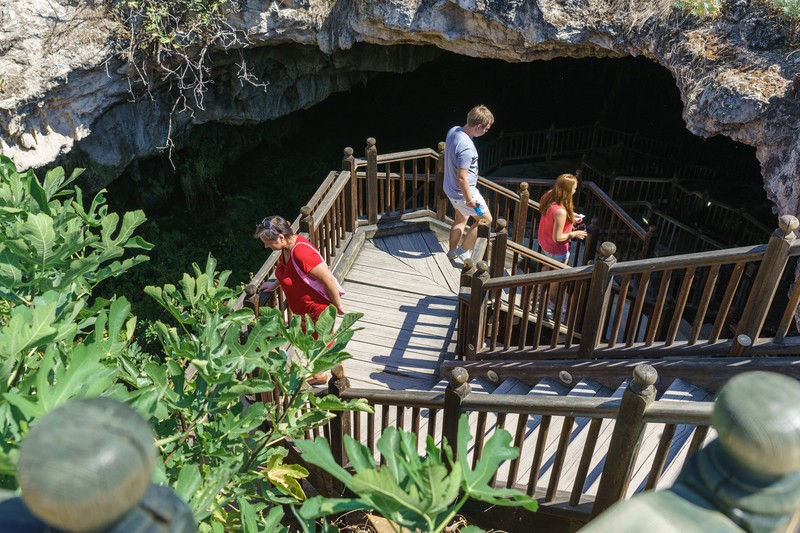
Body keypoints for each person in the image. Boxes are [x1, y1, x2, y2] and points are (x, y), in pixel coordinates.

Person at [254, 215, 345, 384]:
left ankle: (339, 380)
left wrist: (337, 305)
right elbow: (288, 272)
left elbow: (328, 279)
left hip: (317, 308)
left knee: (325, 344)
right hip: (303, 310)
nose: (266, 246)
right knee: (312, 342)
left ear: (281, 237)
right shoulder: (286, 248)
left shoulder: (302, 252)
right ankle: (319, 375)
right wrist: (274, 285)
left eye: (268, 242)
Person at [443, 105, 495, 262]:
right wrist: (470, 200)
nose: (486, 132)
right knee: (486, 220)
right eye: (486, 129)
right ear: (478, 127)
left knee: (461, 219)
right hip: (464, 194)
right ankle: (463, 250)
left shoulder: (454, 131)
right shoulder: (466, 147)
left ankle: (451, 252)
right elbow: (462, 177)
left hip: (450, 189)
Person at [537, 173, 587, 320]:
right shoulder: (560, 211)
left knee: (547, 266)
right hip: (556, 249)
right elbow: (558, 238)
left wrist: (572, 216)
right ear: (566, 189)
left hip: (544, 242)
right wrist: (575, 233)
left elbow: (556, 217)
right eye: (574, 188)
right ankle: (551, 303)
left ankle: (540, 292)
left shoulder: (550, 195)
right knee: (557, 277)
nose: (575, 191)